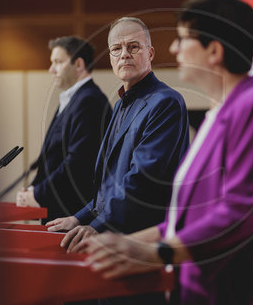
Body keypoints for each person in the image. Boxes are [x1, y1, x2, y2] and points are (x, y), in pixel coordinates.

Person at [78, 0, 253, 305]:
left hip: (245, 291)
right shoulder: (221, 111)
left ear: (214, 50)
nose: (174, 48)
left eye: (183, 39)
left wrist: (158, 252)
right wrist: (128, 243)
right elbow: (193, 214)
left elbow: (239, 212)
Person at [46, 17, 190, 304]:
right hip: (112, 247)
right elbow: (107, 187)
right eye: (116, 49)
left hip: (138, 248)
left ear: (150, 54)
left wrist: (96, 226)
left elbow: (140, 181)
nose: (124, 54)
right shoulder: (122, 103)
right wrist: (79, 217)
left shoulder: (165, 102)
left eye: (133, 46)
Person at [16, 36, 112, 224]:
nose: (51, 69)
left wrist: (39, 193)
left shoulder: (90, 101)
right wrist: (32, 191)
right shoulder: (74, 99)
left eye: (58, 62)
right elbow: (51, 158)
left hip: (73, 215)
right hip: (60, 210)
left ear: (78, 64)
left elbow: (78, 163)